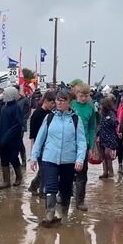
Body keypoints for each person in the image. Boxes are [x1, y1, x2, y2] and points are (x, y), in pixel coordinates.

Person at [30, 90, 86, 227]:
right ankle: (49, 214)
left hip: (68, 160)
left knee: (66, 188)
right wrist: (34, 156)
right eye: (58, 100)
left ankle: (64, 214)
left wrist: (80, 159)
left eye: (63, 100)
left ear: (68, 102)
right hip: (50, 158)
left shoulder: (75, 119)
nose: (59, 103)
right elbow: (40, 138)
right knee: (50, 186)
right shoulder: (49, 118)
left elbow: (81, 142)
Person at [70, 83, 98, 211]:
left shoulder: (90, 109)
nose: (83, 98)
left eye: (86, 96)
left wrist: (91, 146)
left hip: (84, 144)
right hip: (69, 143)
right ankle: (65, 194)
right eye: (81, 96)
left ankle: (80, 200)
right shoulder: (70, 106)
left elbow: (92, 128)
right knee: (67, 170)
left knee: (82, 172)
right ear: (76, 94)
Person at [27, 91, 56, 195]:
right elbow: (32, 135)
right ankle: (42, 192)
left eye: (54, 103)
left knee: (44, 170)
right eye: (51, 103)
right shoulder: (37, 114)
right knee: (44, 170)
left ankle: (33, 186)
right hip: (39, 147)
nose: (53, 106)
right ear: (45, 101)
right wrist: (33, 152)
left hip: (50, 146)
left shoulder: (51, 114)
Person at [0, 87, 24, 189]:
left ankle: (19, 177)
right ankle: (6, 181)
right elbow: (0, 125)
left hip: (12, 141)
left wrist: (7, 136)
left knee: (13, 158)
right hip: (2, 140)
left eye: (4, 93)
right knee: (3, 160)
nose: (2, 95)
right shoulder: (4, 107)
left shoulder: (15, 108)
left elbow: (17, 125)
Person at [97, 97, 119, 179]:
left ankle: (111, 172)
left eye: (101, 105)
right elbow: (101, 126)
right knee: (103, 155)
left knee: (108, 154)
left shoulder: (111, 114)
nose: (100, 106)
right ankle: (105, 172)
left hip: (110, 137)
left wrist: (109, 119)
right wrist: (98, 135)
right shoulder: (102, 114)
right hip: (102, 137)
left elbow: (116, 123)